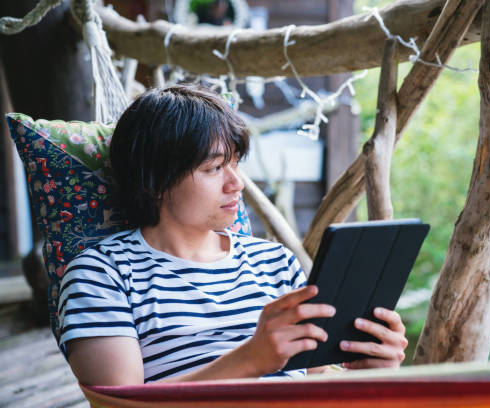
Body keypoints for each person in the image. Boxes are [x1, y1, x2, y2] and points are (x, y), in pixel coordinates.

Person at [58, 85, 408, 385]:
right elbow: (120, 406)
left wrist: (369, 372)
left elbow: (315, 380)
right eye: (213, 168)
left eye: (235, 163)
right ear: (155, 181)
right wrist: (250, 360)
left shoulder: (275, 262)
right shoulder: (102, 275)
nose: (236, 183)